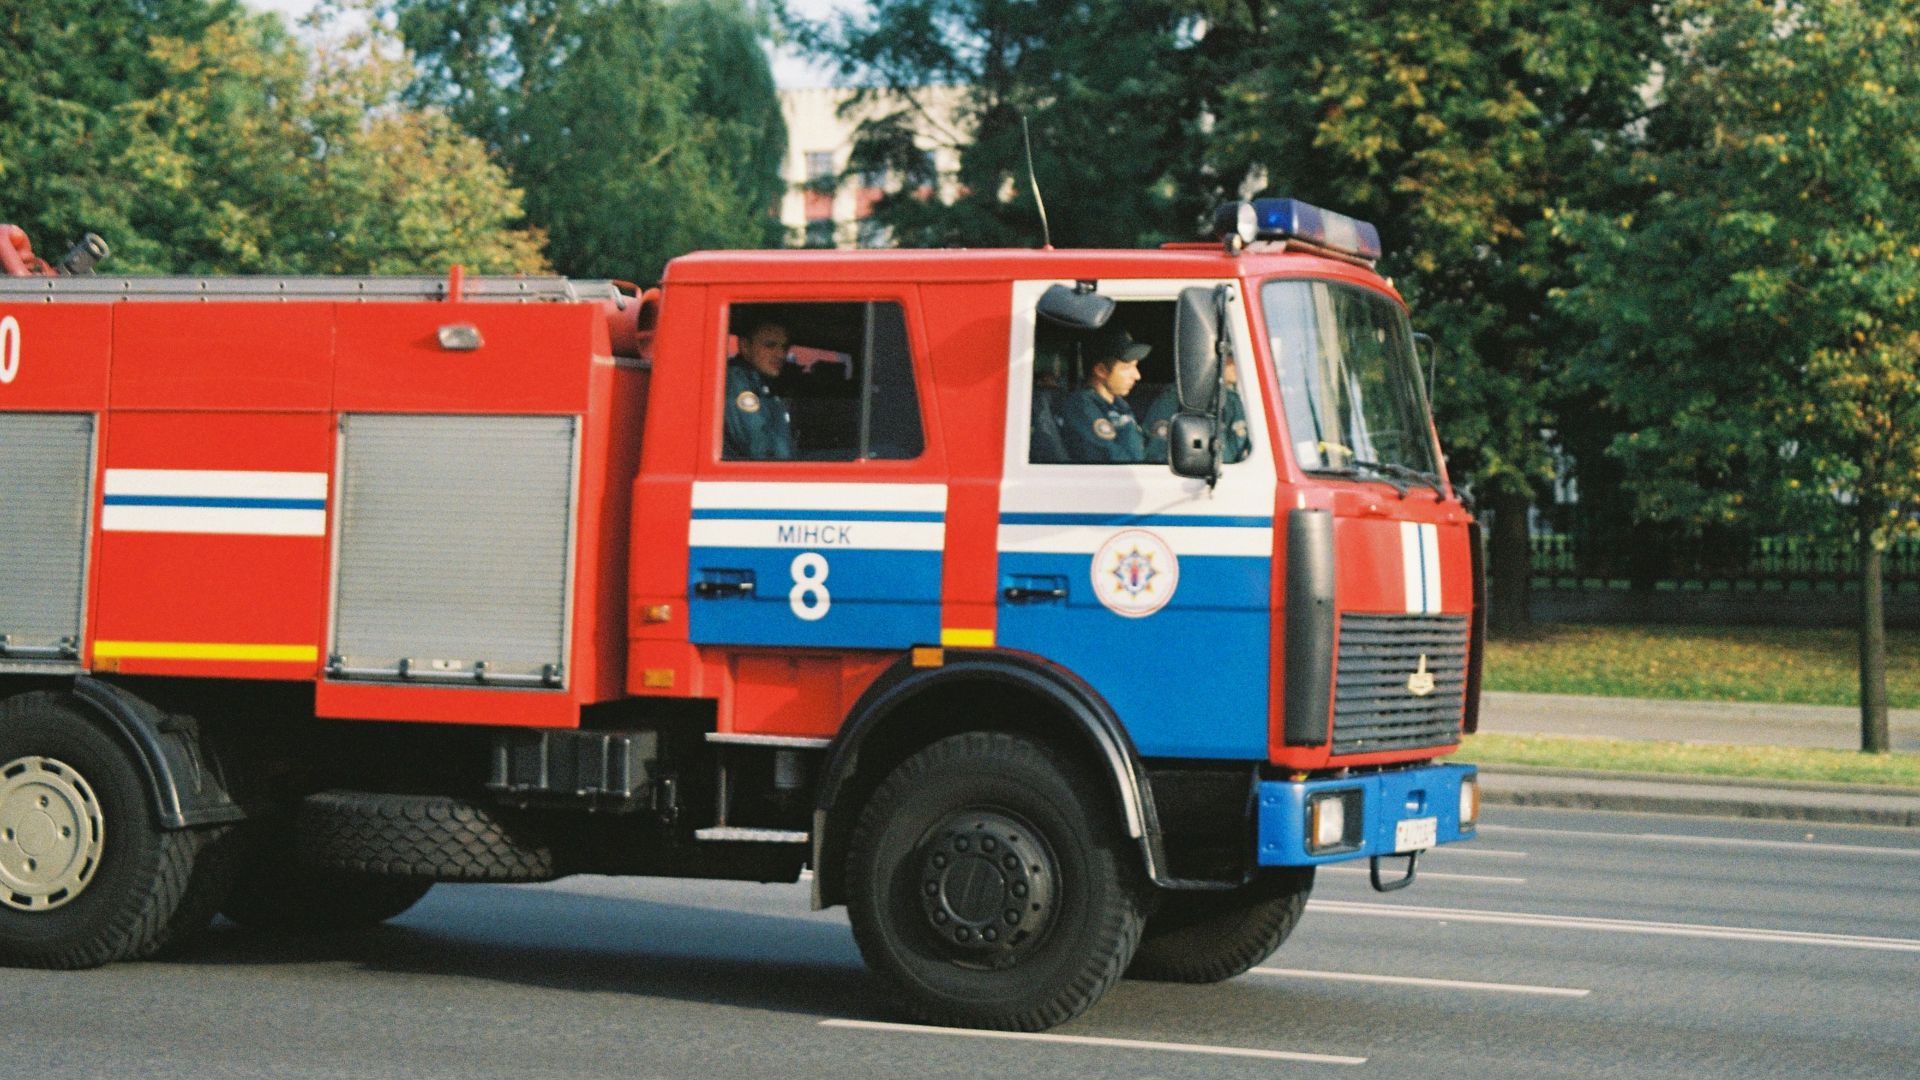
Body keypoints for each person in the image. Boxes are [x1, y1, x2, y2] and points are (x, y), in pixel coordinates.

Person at [1060, 325, 1150, 464]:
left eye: (1136, 366)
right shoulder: (1081, 406)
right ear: (1101, 370)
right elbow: (1113, 461)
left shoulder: (1118, 405)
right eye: (1127, 367)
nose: (1137, 375)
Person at [1143, 357, 1250, 465]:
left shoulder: (1234, 400)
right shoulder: (1175, 400)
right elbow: (1158, 456)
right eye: (1229, 356)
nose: (1238, 362)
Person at [723, 317, 796, 460]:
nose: (781, 355)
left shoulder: (762, 384)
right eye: (770, 345)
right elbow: (761, 449)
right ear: (745, 346)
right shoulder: (737, 383)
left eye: (784, 347)